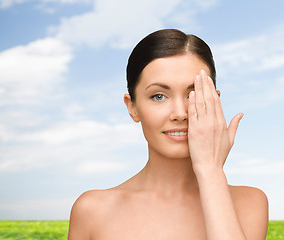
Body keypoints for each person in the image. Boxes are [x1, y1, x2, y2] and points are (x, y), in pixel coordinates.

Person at [68, 29, 268, 240]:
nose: (180, 113)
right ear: (132, 107)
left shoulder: (249, 203)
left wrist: (211, 171)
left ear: (214, 102)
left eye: (193, 95)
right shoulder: (92, 210)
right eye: (159, 96)